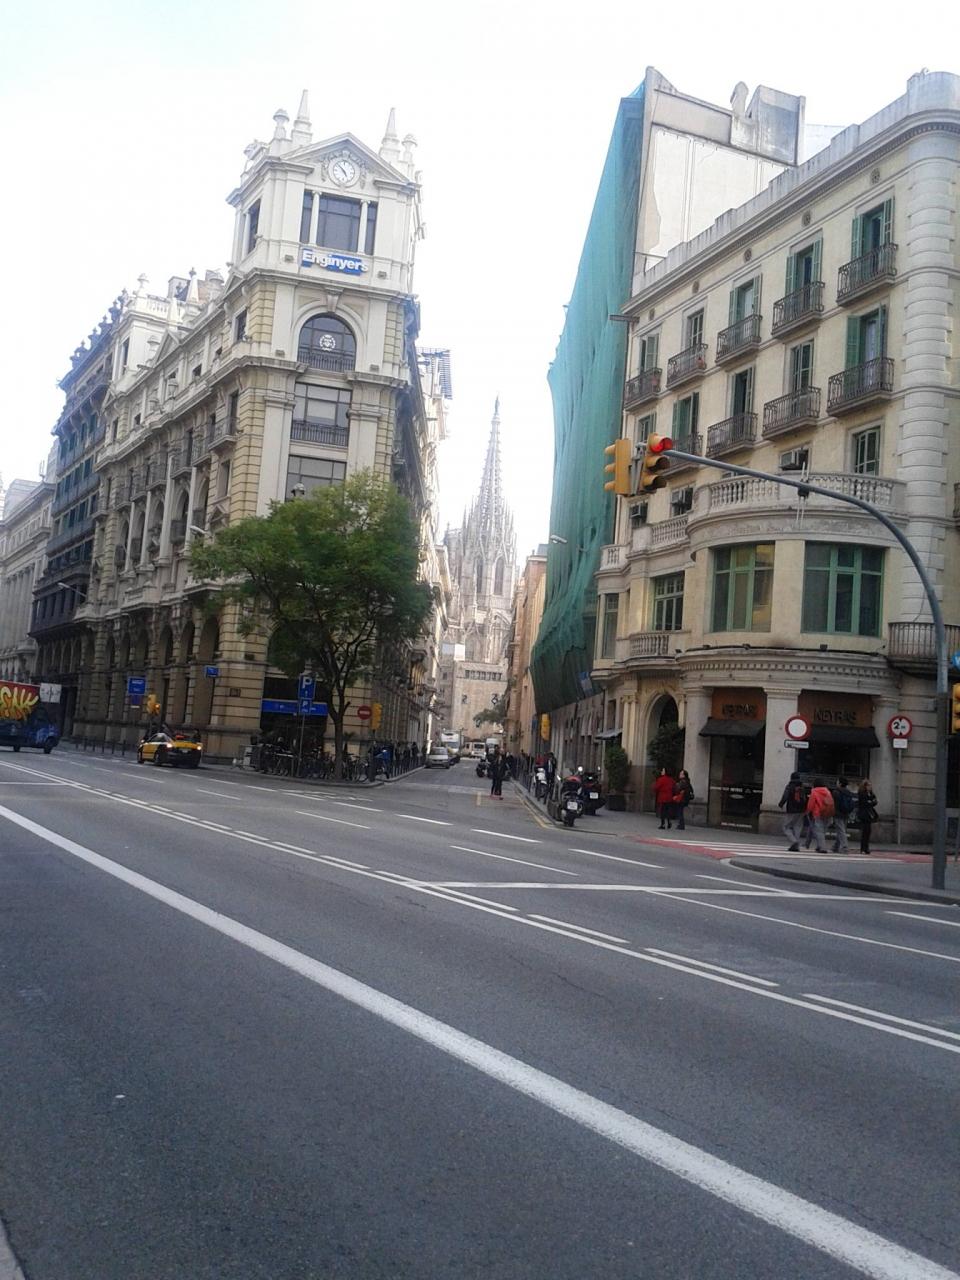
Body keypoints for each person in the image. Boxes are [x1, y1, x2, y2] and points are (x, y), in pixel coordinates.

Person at [778, 771, 808, 851]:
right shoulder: (802, 787)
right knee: (797, 827)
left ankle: (794, 841)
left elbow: (785, 796)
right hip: (801, 810)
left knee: (786, 827)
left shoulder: (789, 786)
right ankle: (796, 846)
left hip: (792, 809)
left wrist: (781, 804)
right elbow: (805, 798)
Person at [805, 777, 835, 853]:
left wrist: (808, 811)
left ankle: (822, 847)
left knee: (819, 831)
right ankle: (819, 846)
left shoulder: (814, 791)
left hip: (818, 813)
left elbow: (811, 804)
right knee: (823, 831)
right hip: (827, 813)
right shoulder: (827, 791)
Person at [832, 776, 856, 853]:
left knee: (841, 831)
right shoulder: (848, 792)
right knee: (841, 830)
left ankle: (844, 847)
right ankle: (836, 846)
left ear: (840, 783)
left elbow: (834, 804)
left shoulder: (836, 792)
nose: (836, 783)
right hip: (846, 813)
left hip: (838, 813)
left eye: (837, 782)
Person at [857, 778, 878, 854]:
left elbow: (875, 801)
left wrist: (871, 802)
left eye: (870, 786)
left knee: (868, 831)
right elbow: (865, 803)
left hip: (869, 814)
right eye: (868, 785)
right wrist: (870, 802)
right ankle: (863, 848)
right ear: (865, 786)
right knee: (864, 831)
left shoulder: (871, 794)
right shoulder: (862, 794)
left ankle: (866, 847)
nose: (870, 787)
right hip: (864, 814)